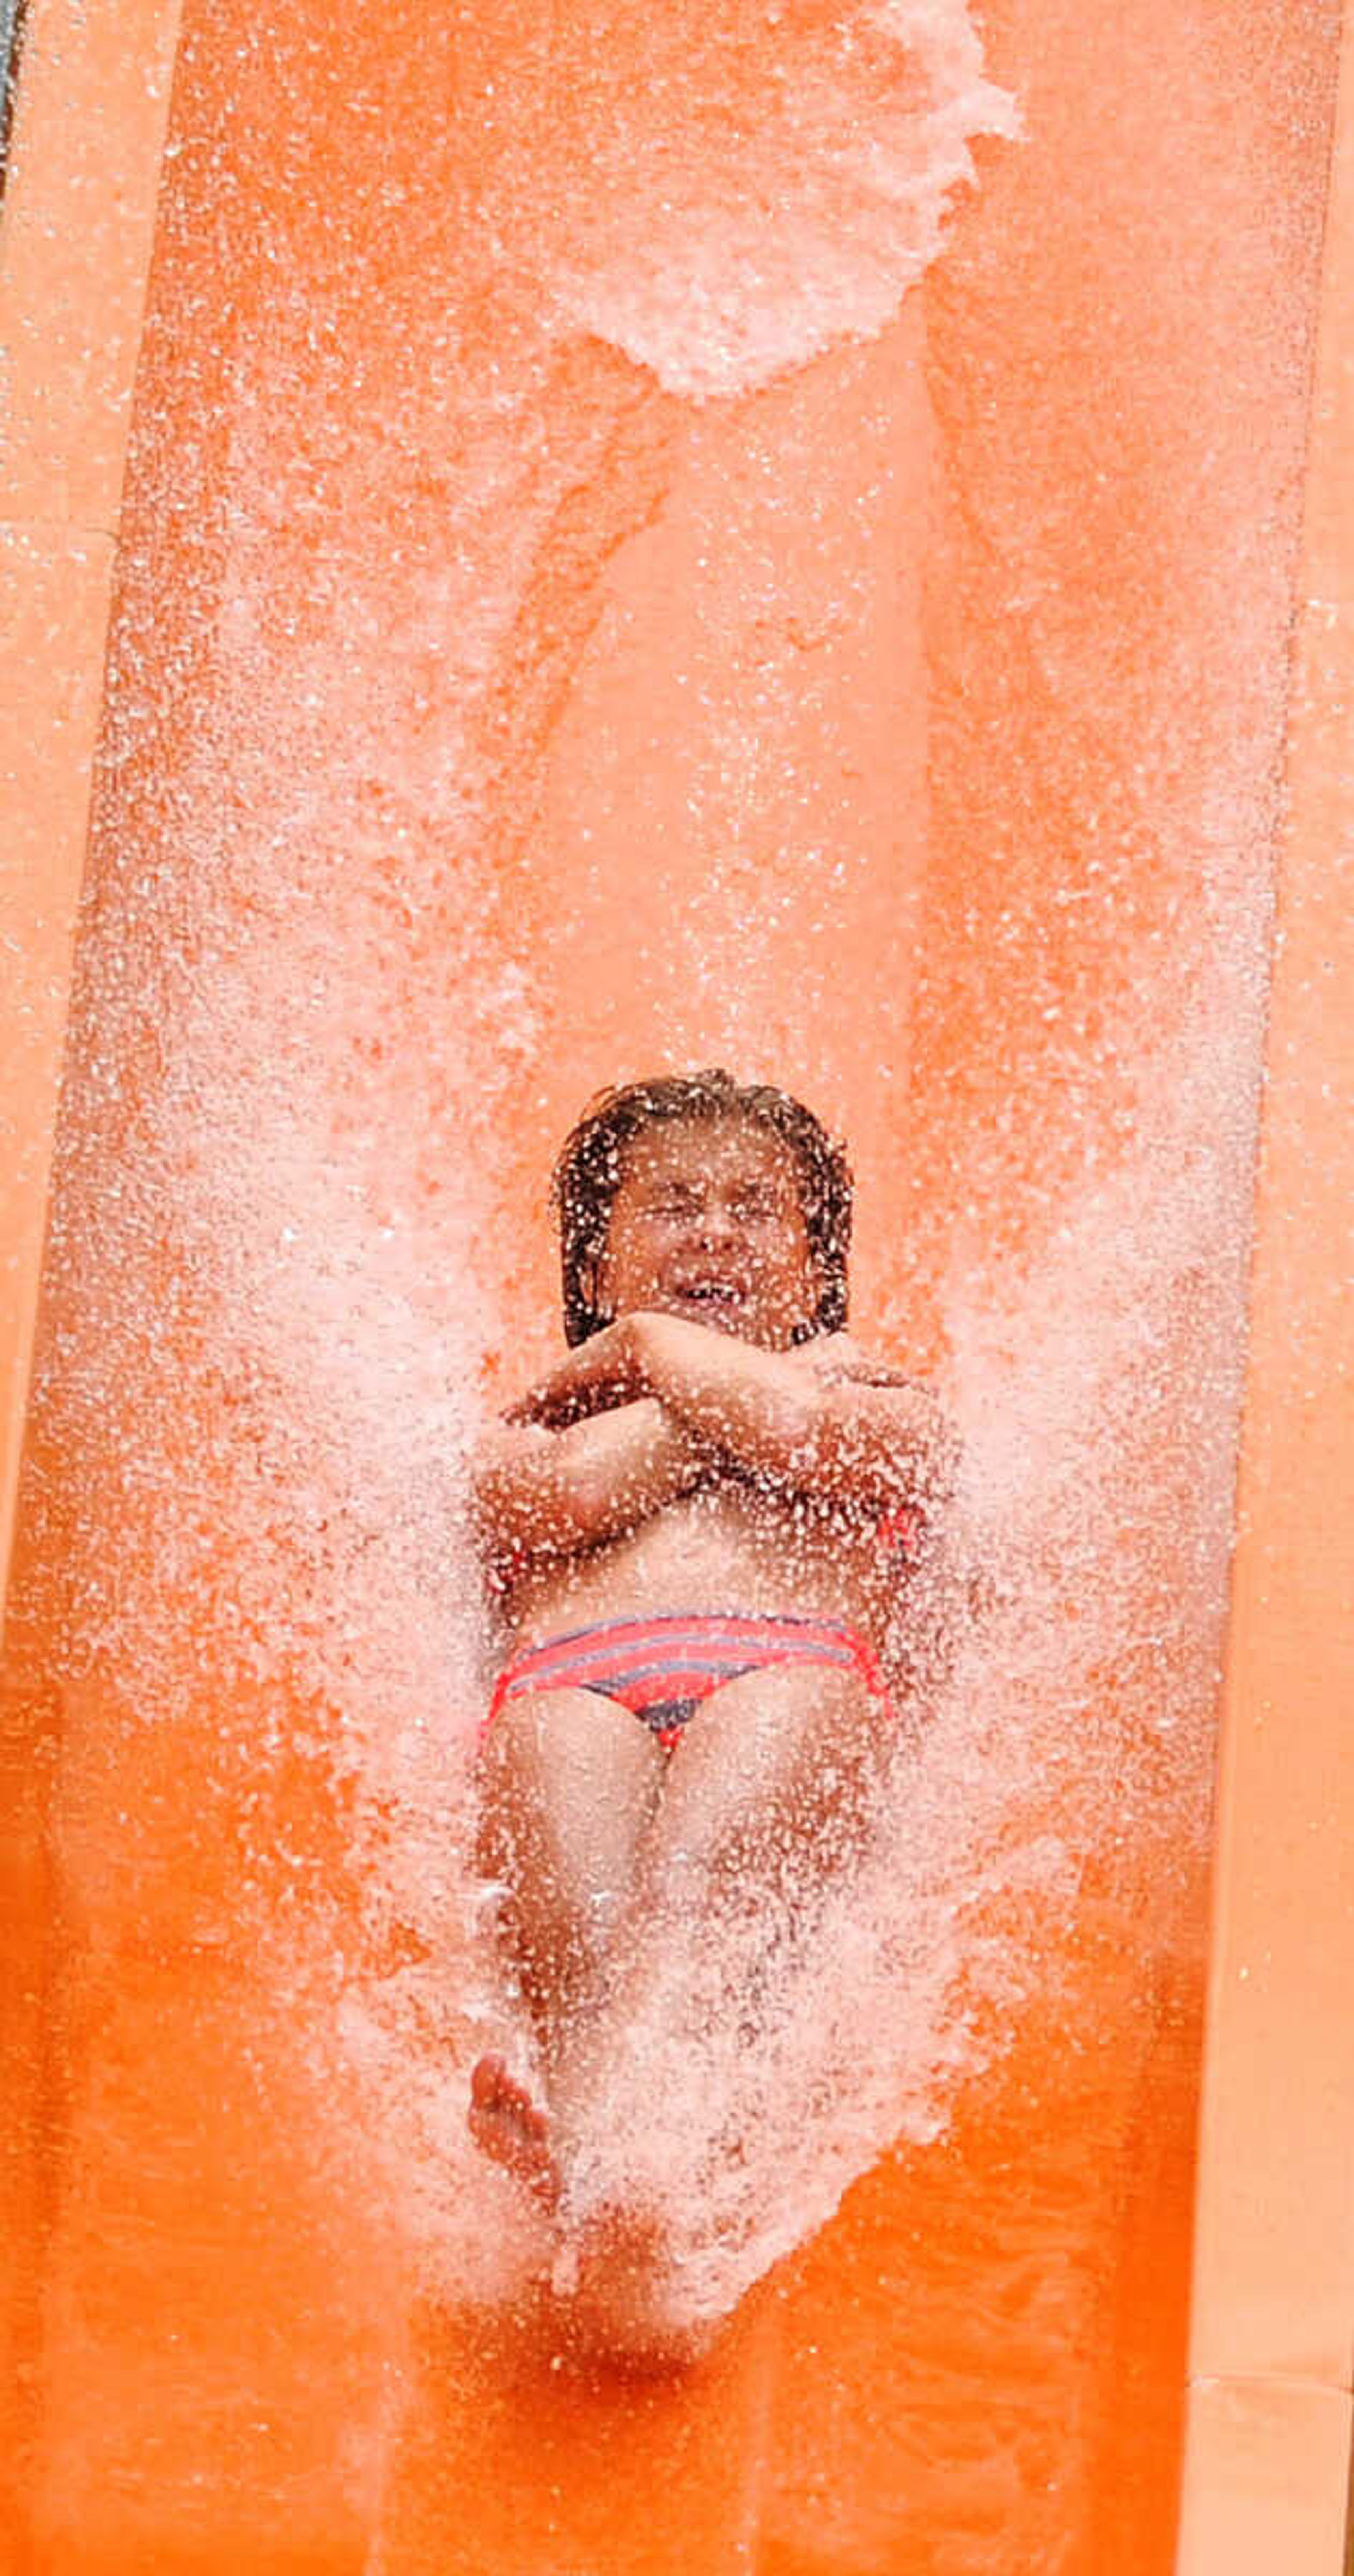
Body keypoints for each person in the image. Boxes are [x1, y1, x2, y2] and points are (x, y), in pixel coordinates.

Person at [466, 1068, 954, 2359]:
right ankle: (612, 2215)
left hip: (788, 1672)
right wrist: (733, 1390)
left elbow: (844, 1456)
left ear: (819, 1262)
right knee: (574, 1948)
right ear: (595, 1255)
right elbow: (558, 1501)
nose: (714, 1233)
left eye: (757, 1210)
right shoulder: (530, 1422)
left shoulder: (883, 1396)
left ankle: (637, 2184)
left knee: (696, 1905)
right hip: (568, 1681)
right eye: (670, 1206)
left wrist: (644, 1356)